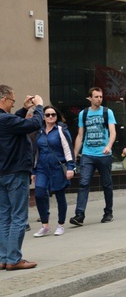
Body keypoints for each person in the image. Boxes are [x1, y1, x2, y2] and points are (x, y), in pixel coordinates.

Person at [0, 85, 43, 270]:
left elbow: (12, 122)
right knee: (18, 216)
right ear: (4, 99)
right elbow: (33, 124)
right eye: (12, 101)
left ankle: (3, 257)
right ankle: (14, 259)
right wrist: (39, 107)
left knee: (4, 217)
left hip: (2, 174)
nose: (12, 105)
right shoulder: (5, 119)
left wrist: (25, 109)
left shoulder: (5, 120)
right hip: (15, 172)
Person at [70, 87, 117, 226]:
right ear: (89, 98)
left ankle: (108, 212)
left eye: (101, 97)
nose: (99, 99)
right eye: (96, 97)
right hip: (87, 154)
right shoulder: (83, 114)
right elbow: (80, 135)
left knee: (107, 184)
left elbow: (113, 132)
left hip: (104, 155)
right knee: (83, 184)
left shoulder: (107, 112)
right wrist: (73, 156)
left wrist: (108, 146)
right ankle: (79, 215)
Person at [32, 106, 75, 237]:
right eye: (47, 115)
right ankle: (45, 225)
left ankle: (60, 224)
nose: (50, 117)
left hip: (57, 167)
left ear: (57, 116)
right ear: (43, 117)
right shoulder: (39, 132)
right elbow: (35, 152)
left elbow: (68, 149)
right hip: (42, 168)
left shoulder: (61, 130)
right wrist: (33, 170)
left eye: (53, 114)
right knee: (39, 194)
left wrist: (70, 167)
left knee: (60, 196)